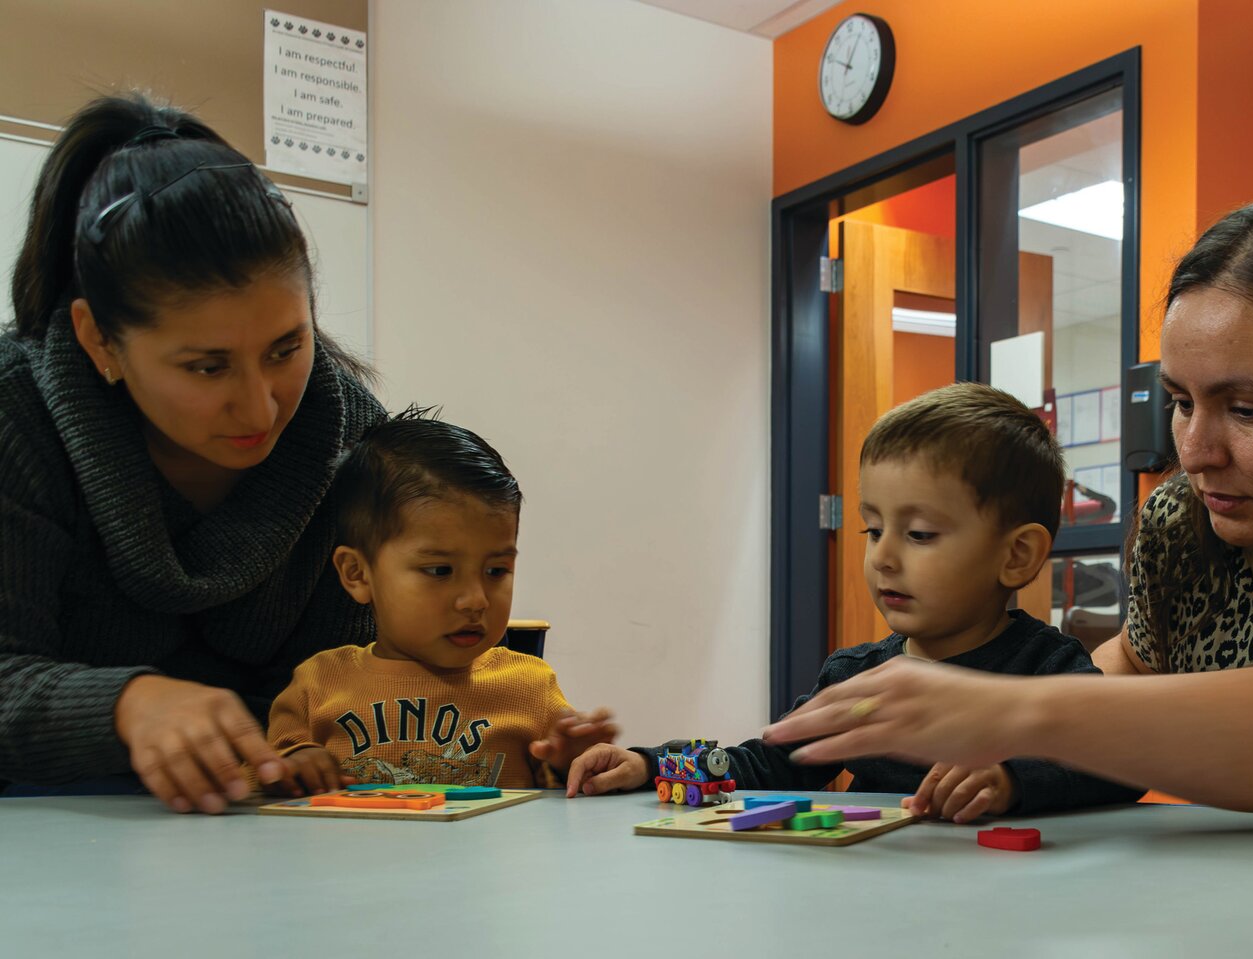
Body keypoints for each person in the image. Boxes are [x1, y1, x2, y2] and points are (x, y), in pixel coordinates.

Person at [762, 188, 1253, 950]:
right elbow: (1135, 667)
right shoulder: (1184, 522)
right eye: (1181, 401)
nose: (1196, 449)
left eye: (1247, 409)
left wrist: (1012, 711)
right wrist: (1010, 757)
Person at [0, 93, 385, 814]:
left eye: (286, 348)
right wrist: (126, 703)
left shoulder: (359, 443)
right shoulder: (14, 416)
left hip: (278, 844)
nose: (261, 405)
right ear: (99, 342)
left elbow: (370, 678)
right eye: (207, 368)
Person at [567, 383, 1142, 820]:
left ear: (1016, 556)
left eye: (918, 534)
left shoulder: (1049, 668)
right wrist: (650, 765)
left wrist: (1012, 780)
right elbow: (767, 761)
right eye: (873, 530)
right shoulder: (858, 675)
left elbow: (1118, 763)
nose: (884, 557)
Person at [266, 412, 615, 792]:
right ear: (357, 574)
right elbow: (263, 789)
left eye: (496, 571)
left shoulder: (530, 687)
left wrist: (571, 763)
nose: (475, 600)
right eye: (440, 571)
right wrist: (294, 767)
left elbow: (561, 811)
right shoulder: (316, 685)